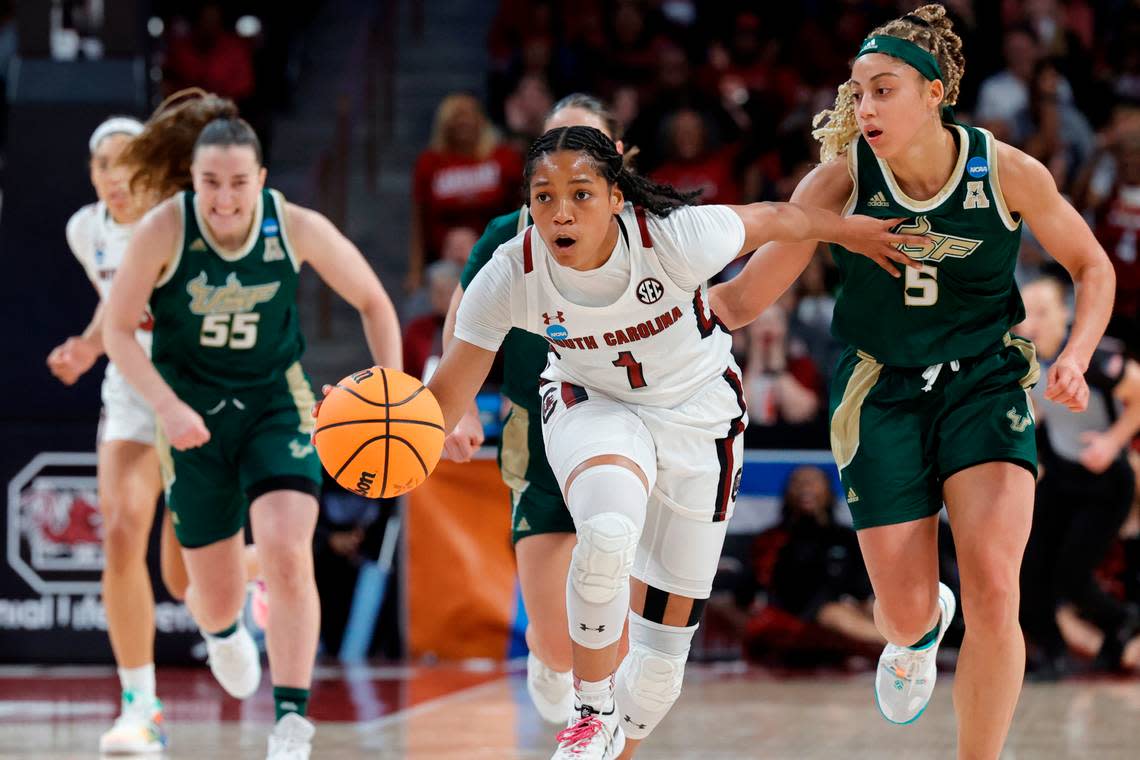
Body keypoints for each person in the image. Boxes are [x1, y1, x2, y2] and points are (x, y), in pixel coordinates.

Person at [426, 123, 920, 759]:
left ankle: (617, 731)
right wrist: (375, 421)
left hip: (699, 415)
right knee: (605, 532)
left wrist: (852, 232)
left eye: (580, 193)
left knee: (659, 675)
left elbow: (778, 219)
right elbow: (444, 398)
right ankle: (590, 711)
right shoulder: (511, 273)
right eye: (544, 197)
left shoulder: (673, 236)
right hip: (592, 404)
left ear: (616, 199)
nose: (560, 212)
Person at [709, 6, 1116, 757]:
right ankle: (919, 625)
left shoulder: (1008, 171)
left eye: (884, 90)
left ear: (934, 93)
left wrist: (1075, 354)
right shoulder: (837, 180)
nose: (864, 108)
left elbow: (1093, 264)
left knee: (998, 588)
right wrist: (630, 295)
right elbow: (739, 301)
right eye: (857, 93)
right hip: (880, 389)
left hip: (985, 381)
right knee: (898, 617)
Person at [104, 92, 401, 760]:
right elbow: (120, 332)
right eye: (212, 183)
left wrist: (391, 388)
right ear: (196, 181)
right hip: (194, 421)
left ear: (260, 181)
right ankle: (226, 630)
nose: (227, 199)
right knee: (205, 600)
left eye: (239, 184)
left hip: (276, 405)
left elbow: (374, 302)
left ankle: (291, 724)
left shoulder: (291, 224)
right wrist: (168, 406)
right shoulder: (165, 228)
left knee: (289, 548)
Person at [441, 93, 631, 728]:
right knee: (557, 642)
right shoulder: (505, 236)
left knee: (617, 640)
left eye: (585, 148)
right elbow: (463, 320)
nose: (564, 161)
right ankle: (548, 661)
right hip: (540, 428)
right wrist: (457, 407)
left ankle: (600, 728)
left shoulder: (655, 233)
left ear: (617, 165)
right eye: (551, 149)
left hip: (628, 423)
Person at [47, 115, 173, 755]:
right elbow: (114, 298)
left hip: (194, 390)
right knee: (121, 530)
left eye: (127, 161)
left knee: (192, 581)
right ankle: (140, 706)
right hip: (129, 392)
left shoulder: (181, 217)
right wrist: (89, 348)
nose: (113, 176)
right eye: (101, 164)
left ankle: (250, 582)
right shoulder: (85, 229)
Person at [1017, 277, 1140, 676]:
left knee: (1072, 575)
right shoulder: (1023, 360)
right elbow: (1035, 411)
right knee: (1029, 571)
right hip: (1061, 479)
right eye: (1025, 313)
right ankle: (1052, 655)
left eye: (1042, 312)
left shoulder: (1094, 357)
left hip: (1106, 483)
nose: (1031, 322)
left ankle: (1121, 620)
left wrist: (1112, 442)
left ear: (1065, 314)